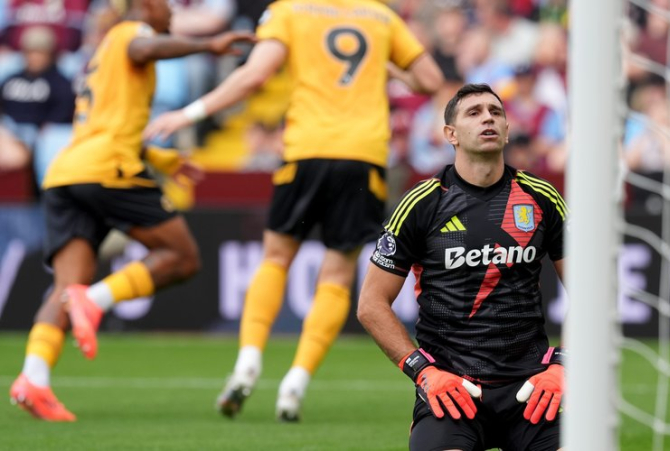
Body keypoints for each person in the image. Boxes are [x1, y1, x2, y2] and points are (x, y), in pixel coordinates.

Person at [144, 0, 443, 422]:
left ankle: (247, 362)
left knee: (275, 258)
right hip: (363, 156)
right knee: (337, 274)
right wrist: (387, 68)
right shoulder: (381, 16)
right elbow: (430, 80)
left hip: (307, 151)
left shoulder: (290, 10)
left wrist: (190, 113)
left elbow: (256, 73)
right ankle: (296, 382)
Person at [8, 0, 254, 422]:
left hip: (67, 173)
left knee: (65, 288)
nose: (172, 12)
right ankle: (97, 300)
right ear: (144, 6)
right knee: (182, 257)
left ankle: (33, 377)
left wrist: (164, 161)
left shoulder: (100, 53)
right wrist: (209, 44)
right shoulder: (131, 34)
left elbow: (111, 124)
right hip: (109, 171)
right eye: (165, 5)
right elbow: (144, 48)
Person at [357, 83, 567, 451]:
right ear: (450, 135)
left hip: (532, 389)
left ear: (506, 130)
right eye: (474, 112)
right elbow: (371, 304)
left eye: (495, 112)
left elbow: (594, 294)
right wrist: (424, 373)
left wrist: (563, 366)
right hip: (453, 392)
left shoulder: (541, 198)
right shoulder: (422, 204)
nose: (488, 117)